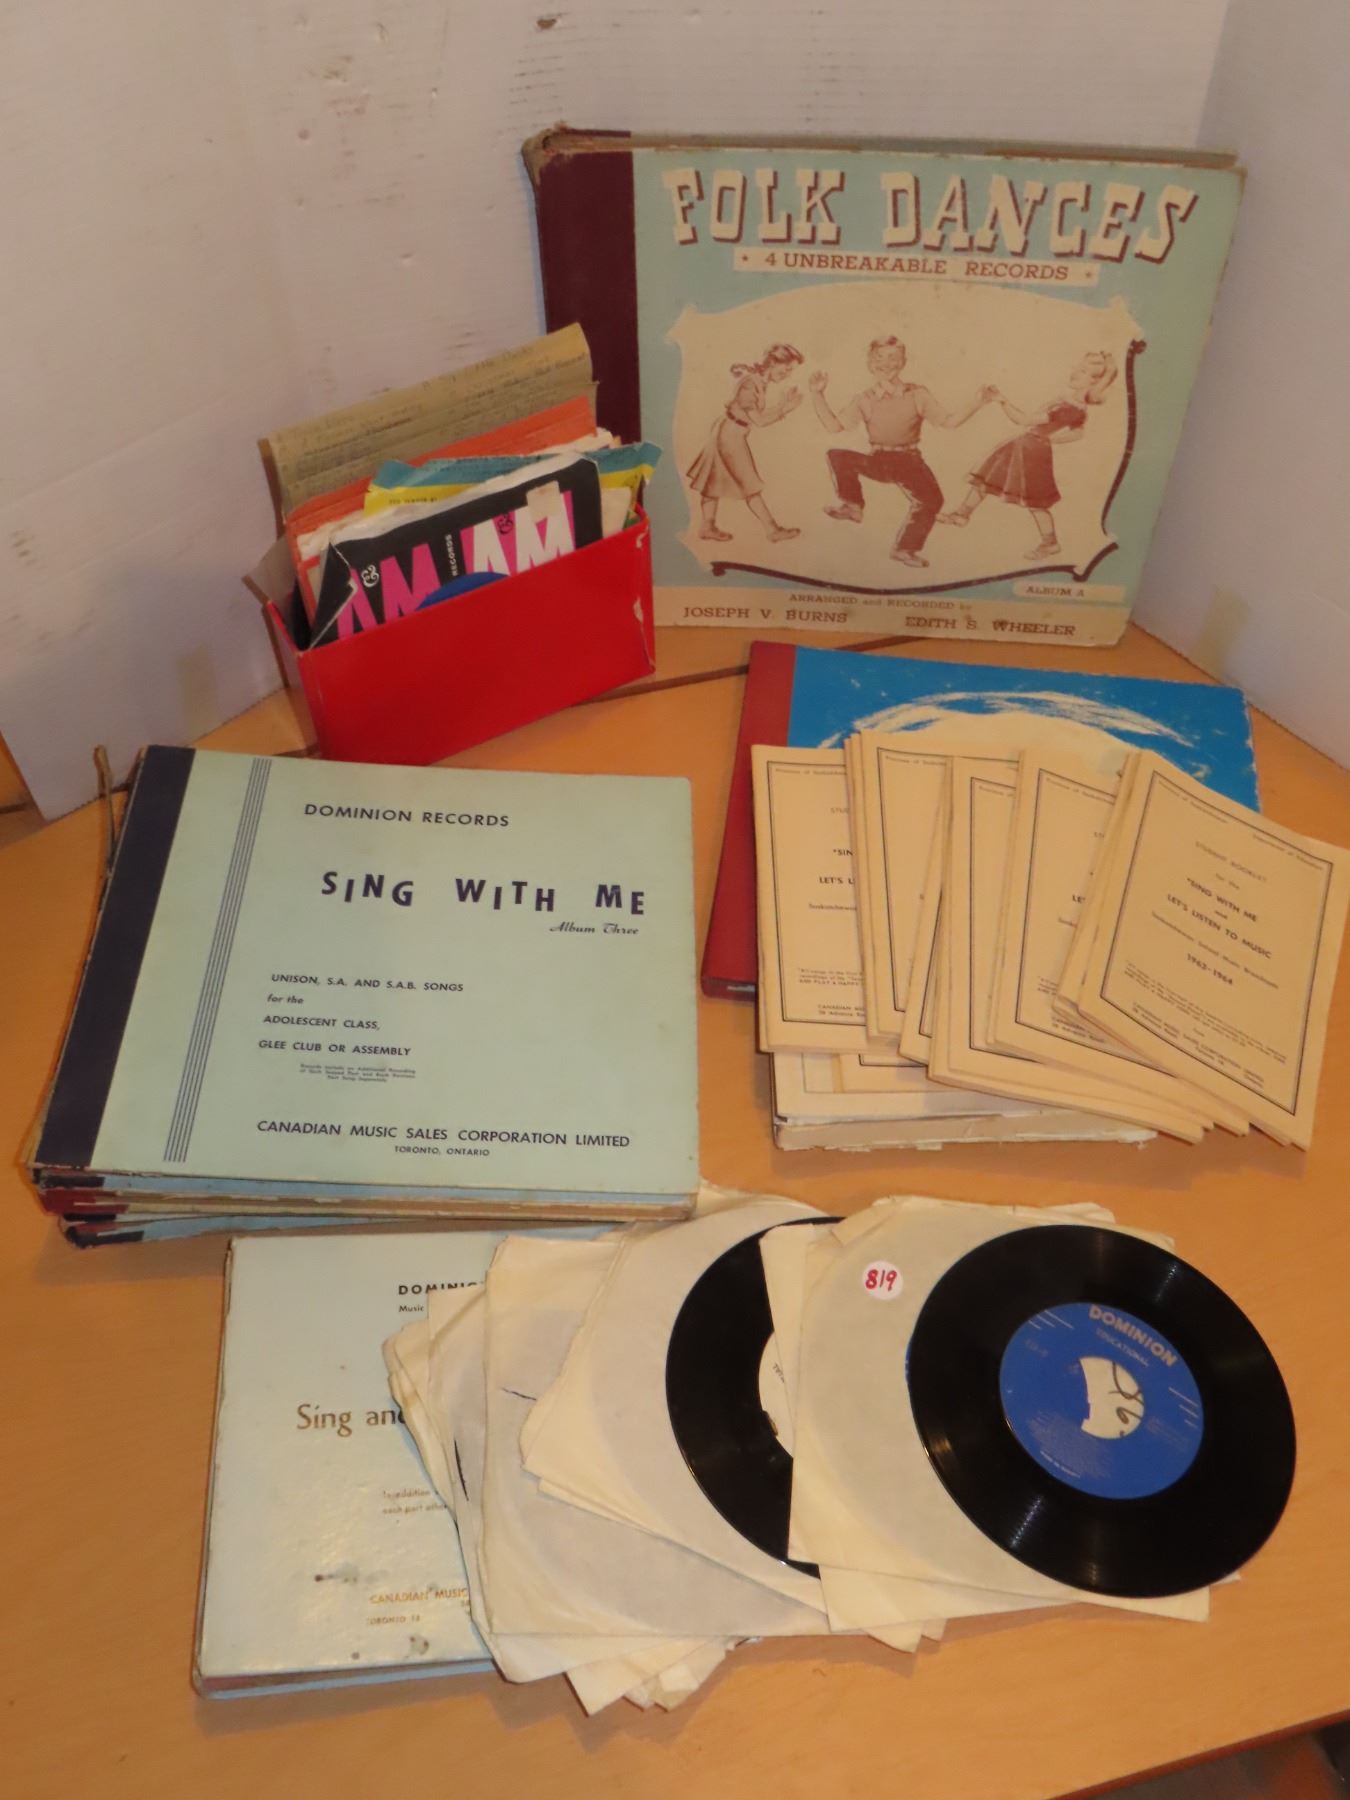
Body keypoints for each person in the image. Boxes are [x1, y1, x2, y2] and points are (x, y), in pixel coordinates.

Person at [809, 335, 992, 567]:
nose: (886, 364)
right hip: (879, 460)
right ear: (870, 363)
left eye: (893, 358)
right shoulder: (864, 399)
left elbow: (949, 422)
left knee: (932, 501)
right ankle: (853, 506)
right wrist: (817, 394)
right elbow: (834, 427)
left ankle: (905, 549)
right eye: (879, 358)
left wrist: (978, 402)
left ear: (903, 362)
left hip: (909, 461)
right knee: (836, 455)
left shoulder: (917, 394)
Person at [937, 351, 1118, 558]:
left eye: (1083, 371)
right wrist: (1051, 439)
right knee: (986, 479)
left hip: (1031, 452)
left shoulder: (1066, 408)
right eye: (1078, 367)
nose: (1075, 371)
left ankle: (1050, 543)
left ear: (1094, 381)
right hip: (1026, 446)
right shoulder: (1075, 406)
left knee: (1035, 500)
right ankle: (962, 515)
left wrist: (1001, 400)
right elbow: (1078, 433)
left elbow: (1023, 420)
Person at [685, 343, 804, 542]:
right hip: (729, 436)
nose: (787, 374)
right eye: (786, 369)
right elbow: (759, 421)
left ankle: (707, 527)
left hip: (728, 432)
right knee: (749, 483)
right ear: (772, 363)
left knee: (713, 480)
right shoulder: (750, 384)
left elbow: (755, 416)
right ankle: (772, 530)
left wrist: (782, 405)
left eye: (791, 371)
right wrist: (785, 409)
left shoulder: (759, 382)